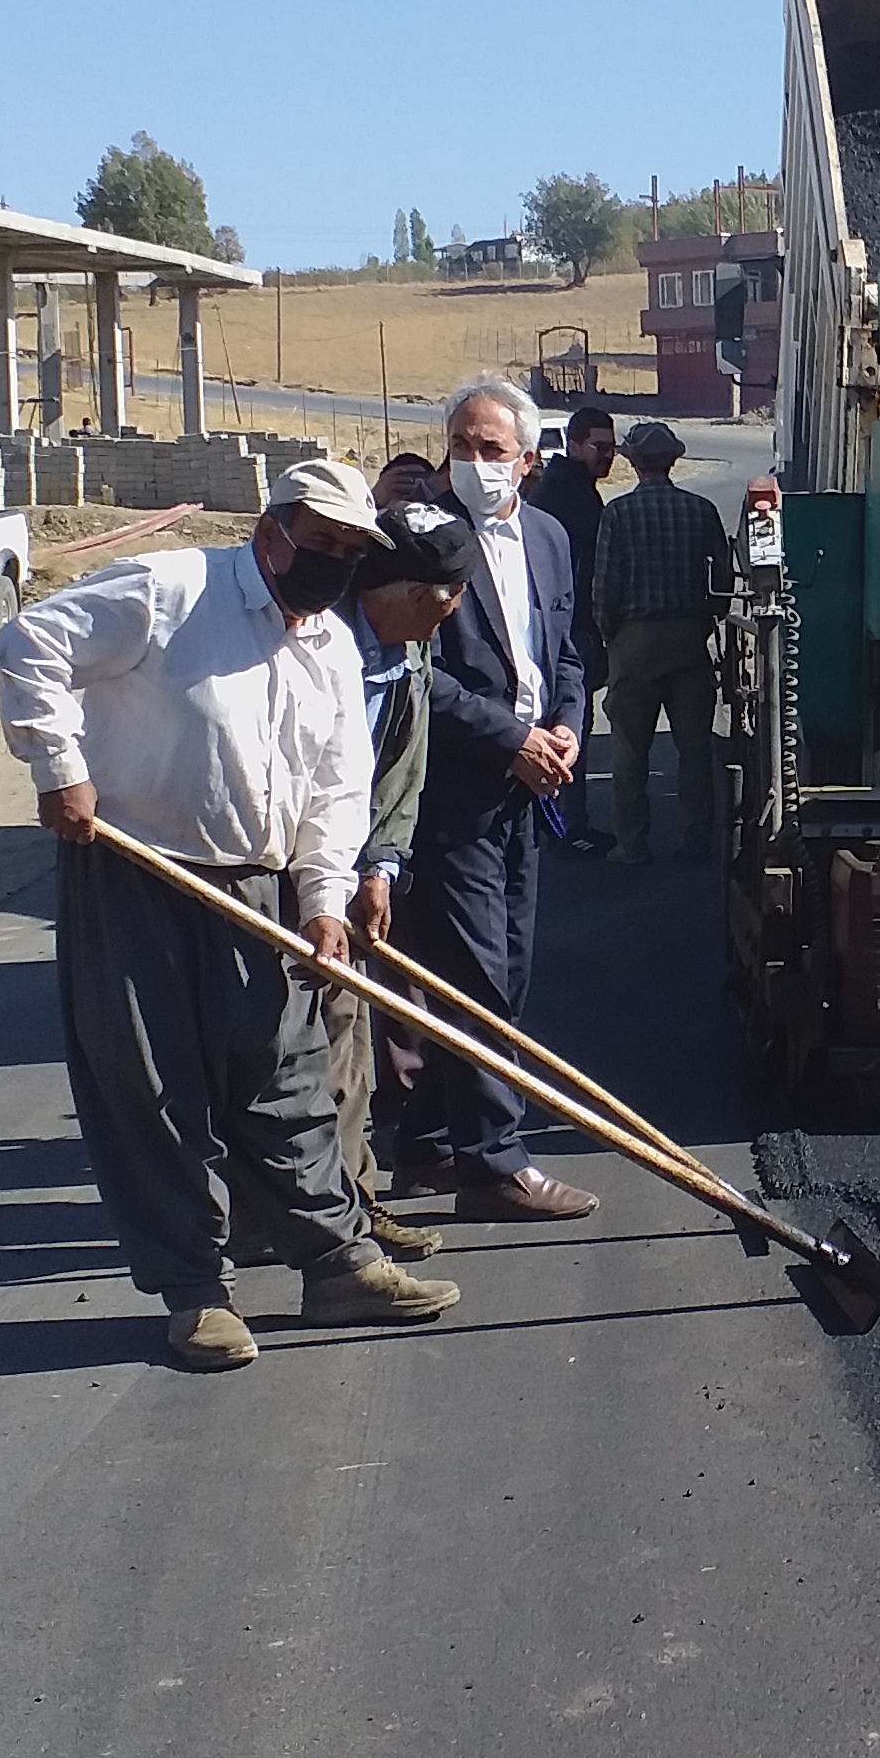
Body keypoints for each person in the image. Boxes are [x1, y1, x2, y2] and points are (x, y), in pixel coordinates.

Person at [0, 458, 460, 1369]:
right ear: (271, 530)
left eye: (347, 549)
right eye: (319, 543)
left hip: (260, 887)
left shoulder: (327, 648)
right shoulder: (171, 589)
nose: (330, 564)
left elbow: (338, 788)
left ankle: (337, 1264)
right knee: (154, 1088)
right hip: (134, 872)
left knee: (285, 1077)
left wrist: (324, 897)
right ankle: (195, 1292)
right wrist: (60, 768)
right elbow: (31, 646)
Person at [379, 378, 598, 1221]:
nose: (473, 464)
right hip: (456, 791)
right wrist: (512, 742)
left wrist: (568, 730)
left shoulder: (545, 536)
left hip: (531, 793)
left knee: (510, 968)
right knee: (481, 978)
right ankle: (495, 1163)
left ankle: (431, 1145)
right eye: (461, 447)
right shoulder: (419, 539)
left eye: (492, 450)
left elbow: (565, 651)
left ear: (528, 462)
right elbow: (411, 673)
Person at [326, 497, 483, 1262]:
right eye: (445, 604)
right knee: (289, 1058)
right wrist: (328, 876)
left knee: (349, 1049)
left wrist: (381, 865)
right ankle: (288, 1221)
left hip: (356, 864)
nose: (449, 620)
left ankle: (351, 1205)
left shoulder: (410, 649)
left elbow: (402, 770)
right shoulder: (318, 645)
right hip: (290, 867)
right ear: (413, 597)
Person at [585, 421, 730, 864]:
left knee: (629, 749)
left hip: (635, 640)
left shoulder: (618, 513)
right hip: (689, 638)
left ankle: (632, 844)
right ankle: (696, 839)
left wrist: (611, 637)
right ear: (673, 460)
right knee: (693, 748)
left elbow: (604, 585)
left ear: (632, 461)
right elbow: (721, 582)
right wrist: (707, 620)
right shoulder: (701, 510)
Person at [528, 407, 620, 853]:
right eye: (599, 448)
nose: (607, 457)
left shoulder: (573, 487)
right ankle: (567, 825)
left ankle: (561, 821)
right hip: (567, 628)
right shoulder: (569, 493)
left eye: (612, 449)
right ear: (575, 445)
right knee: (570, 726)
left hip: (567, 625)